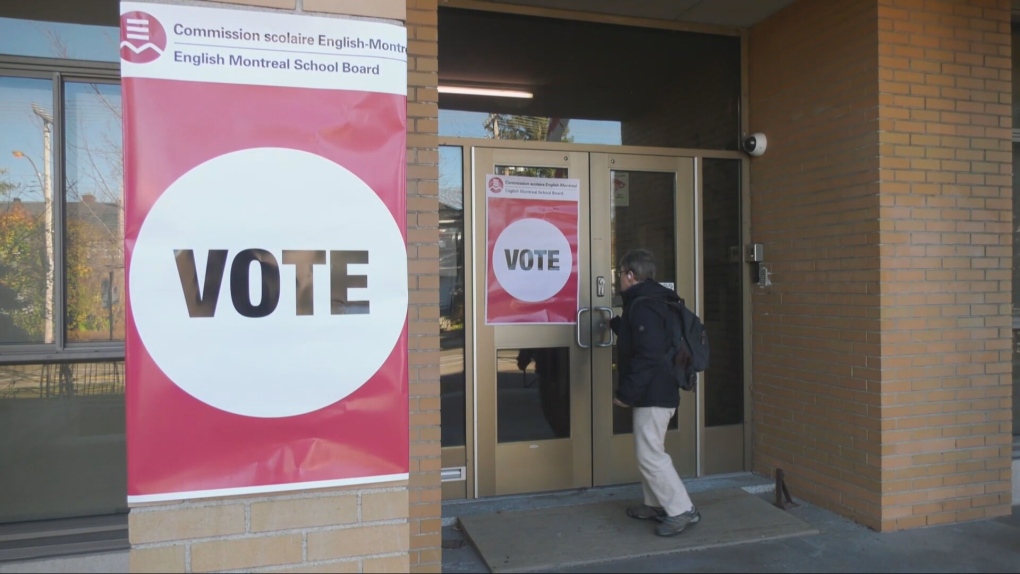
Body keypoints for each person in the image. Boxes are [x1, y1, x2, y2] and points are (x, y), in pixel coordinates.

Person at [609, 248, 700, 537]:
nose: (619, 280)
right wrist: (616, 324)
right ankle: (655, 504)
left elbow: (648, 355)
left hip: (654, 392)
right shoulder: (652, 300)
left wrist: (626, 393)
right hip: (659, 389)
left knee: (650, 455)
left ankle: (681, 509)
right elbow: (644, 337)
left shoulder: (644, 305)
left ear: (630, 276)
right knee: (649, 450)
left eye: (620, 274)